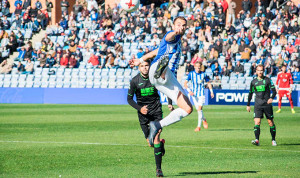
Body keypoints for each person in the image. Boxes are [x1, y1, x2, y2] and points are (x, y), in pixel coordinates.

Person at [129, 17, 193, 146]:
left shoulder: (175, 42)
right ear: (173, 26)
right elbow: (169, 37)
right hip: (158, 70)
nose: (182, 27)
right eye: (178, 24)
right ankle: (161, 70)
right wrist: (175, 32)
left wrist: (140, 60)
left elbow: (155, 51)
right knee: (164, 63)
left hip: (164, 80)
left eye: (184, 25)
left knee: (187, 109)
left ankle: (157, 125)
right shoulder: (172, 37)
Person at [127, 60, 165, 177]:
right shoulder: (134, 81)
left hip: (156, 111)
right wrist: (139, 108)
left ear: (149, 66)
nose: (144, 68)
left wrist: (169, 103)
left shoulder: (155, 78)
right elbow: (129, 99)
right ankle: (160, 146)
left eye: (146, 65)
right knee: (150, 143)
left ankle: (158, 169)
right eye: (142, 66)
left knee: (156, 137)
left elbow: (166, 90)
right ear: (139, 68)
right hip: (143, 114)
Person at [247, 64, 277, 146]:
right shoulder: (253, 82)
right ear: (256, 71)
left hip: (267, 104)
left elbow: (274, 91)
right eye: (258, 70)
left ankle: (273, 140)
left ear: (263, 71)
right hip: (258, 104)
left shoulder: (268, 80)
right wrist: (248, 104)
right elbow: (250, 93)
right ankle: (257, 140)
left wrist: (271, 98)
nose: (260, 72)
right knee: (257, 122)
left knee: (270, 122)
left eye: (261, 70)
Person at [184, 62, 214, 132]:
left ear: (200, 67)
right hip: (194, 95)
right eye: (197, 66)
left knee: (199, 109)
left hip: (201, 94)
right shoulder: (191, 74)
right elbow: (185, 84)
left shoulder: (203, 74)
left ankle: (198, 127)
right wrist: (189, 91)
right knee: (198, 110)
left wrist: (211, 92)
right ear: (194, 67)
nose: (198, 68)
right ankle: (204, 119)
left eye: (199, 67)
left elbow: (208, 83)